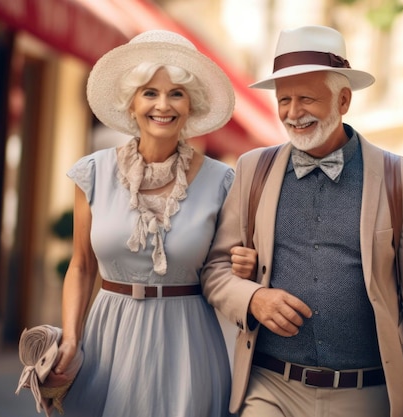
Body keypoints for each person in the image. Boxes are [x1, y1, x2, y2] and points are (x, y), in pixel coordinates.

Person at [202, 25, 403, 417]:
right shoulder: (252, 170)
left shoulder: (401, 180)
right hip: (270, 389)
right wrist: (252, 298)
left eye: (307, 98)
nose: (293, 112)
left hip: (364, 395)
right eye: (284, 100)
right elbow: (215, 270)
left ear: (344, 99)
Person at [50, 30, 257, 417]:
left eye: (176, 93)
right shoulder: (92, 174)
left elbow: (226, 268)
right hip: (107, 340)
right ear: (131, 104)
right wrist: (72, 338)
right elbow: (80, 266)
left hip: (188, 343)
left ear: (190, 104)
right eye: (149, 92)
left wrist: (242, 266)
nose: (163, 105)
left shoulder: (223, 182)